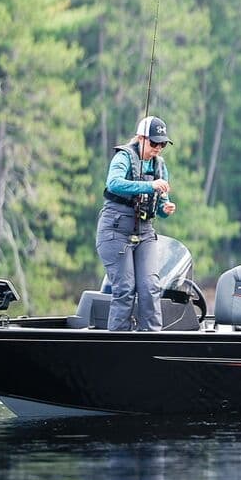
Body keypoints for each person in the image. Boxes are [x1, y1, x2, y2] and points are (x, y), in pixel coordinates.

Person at [95, 115, 178, 331]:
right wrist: (149, 187)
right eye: (154, 142)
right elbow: (113, 184)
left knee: (150, 287)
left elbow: (161, 202)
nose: (158, 148)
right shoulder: (123, 158)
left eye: (162, 144)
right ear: (141, 138)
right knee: (124, 290)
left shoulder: (160, 167)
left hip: (145, 232)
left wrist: (165, 208)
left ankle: (151, 340)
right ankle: (118, 345)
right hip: (115, 230)